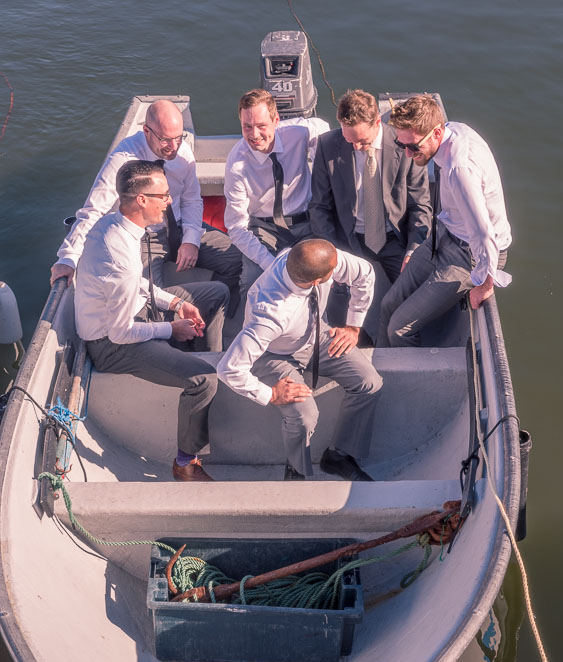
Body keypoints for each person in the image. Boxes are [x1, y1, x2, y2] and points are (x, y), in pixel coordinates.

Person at [74, 159, 218, 482]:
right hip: (111, 346)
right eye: (164, 196)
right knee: (204, 379)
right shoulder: (120, 255)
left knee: (217, 293)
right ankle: (185, 463)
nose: (168, 201)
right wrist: (171, 327)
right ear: (142, 200)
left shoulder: (111, 224)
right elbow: (121, 332)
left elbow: (137, 285)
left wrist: (177, 302)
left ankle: (199, 358)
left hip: (132, 313)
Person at [52, 99, 240, 344]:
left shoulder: (181, 151)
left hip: (180, 227)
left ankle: (204, 319)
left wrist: (191, 240)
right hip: (144, 238)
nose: (173, 147)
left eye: (178, 137)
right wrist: (68, 257)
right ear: (146, 132)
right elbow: (93, 211)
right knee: (147, 304)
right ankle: (175, 340)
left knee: (237, 258)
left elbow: (192, 199)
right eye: (165, 140)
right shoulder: (122, 160)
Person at [217, 239, 382, 481]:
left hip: (317, 334)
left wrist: (353, 327)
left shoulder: (309, 258)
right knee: (304, 413)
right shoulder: (270, 313)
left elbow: (364, 273)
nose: (339, 267)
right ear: (317, 280)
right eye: (334, 271)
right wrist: (270, 394)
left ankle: (340, 456)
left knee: (369, 382)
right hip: (274, 354)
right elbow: (229, 368)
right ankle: (297, 470)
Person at [377, 93, 512, 347]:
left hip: (469, 255)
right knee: (387, 305)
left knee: (399, 328)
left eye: (414, 147)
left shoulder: (459, 170)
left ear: (437, 133)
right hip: (445, 235)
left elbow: (484, 234)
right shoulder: (454, 129)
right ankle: (381, 372)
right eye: (401, 145)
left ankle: (408, 385)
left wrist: (485, 284)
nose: (407, 154)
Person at [309, 88, 431, 340]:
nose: (356, 146)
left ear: (378, 122)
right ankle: (358, 341)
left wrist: (413, 249)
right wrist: (332, 251)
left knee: (411, 295)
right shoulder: (327, 145)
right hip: (349, 239)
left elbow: (420, 205)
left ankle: (402, 344)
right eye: (349, 140)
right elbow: (320, 206)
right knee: (336, 296)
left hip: (393, 239)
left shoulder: (404, 146)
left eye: (362, 141)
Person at [224, 89, 329, 307]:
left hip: (306, 222)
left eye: (261, 125)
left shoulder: (298, 133)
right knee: (254, 281)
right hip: (264, 228)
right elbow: (236, 227)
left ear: (276, 121)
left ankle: (321, 325)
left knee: (323, 273)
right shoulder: (236, 164)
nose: (254, 134)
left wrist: (319, 158)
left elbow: (323, 128)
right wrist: (271, 264)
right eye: (247, 127)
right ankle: (251, 333)